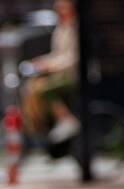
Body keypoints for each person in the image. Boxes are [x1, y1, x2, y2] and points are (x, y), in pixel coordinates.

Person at [22, 0, 80, 144]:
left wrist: (50, 66)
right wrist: (41, 61)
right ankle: (41, 128)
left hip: (73, 74)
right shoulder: (61, 27)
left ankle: (66, 119)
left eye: (63, 9)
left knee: (44, 88)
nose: (60, 12)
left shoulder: (76, 28)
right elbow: (57, 54)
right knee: (31, 87)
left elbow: (73, 57)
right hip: (59, 72)